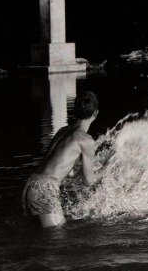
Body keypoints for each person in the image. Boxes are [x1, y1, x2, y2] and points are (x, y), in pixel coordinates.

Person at [21, 91, 99, 228]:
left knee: (46, 234)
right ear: (96, 113)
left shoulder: (63, 131)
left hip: (31, 182)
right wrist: (107, 173)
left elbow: (56, 164)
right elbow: (88, 181)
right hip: (45, 188)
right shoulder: (86, 140)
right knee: (57, 238)